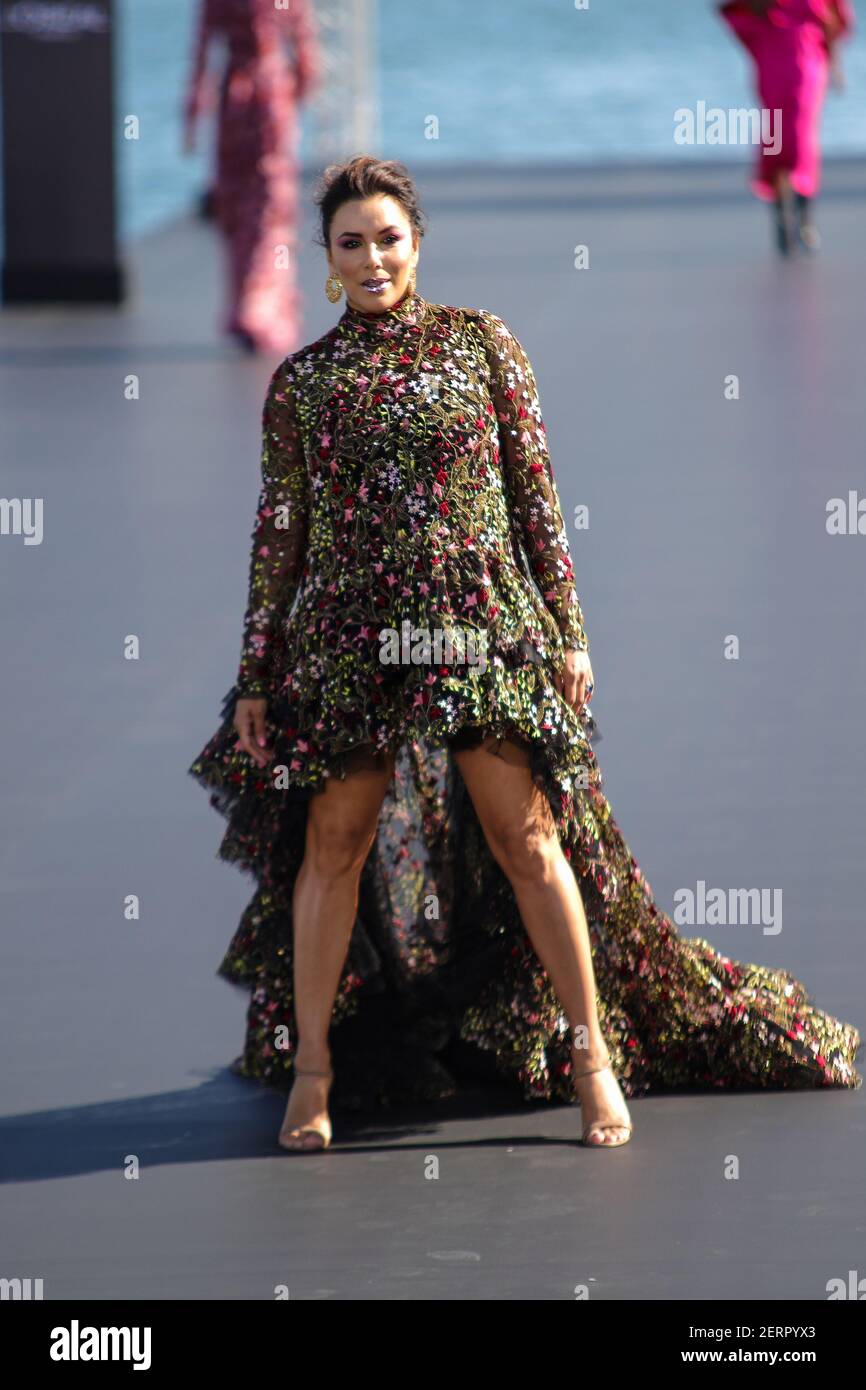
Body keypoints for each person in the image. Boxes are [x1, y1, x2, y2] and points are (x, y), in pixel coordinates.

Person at [188, 155, 862, 1154]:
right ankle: (315, 1069)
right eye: (349, 243)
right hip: (346, 639)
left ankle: (590, 1054)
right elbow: (279, 532)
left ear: (417, 242)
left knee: (528, 837)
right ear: (324, 260)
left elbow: (534, 501)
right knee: (334, 843)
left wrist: (566, 632)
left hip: (480, 630)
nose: (371, 257)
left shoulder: (483, 347)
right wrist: (255, 670)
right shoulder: (305, 383)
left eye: (386, 237)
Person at [182, 0, 320, 353]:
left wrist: (193, 112)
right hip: (273, 95)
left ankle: (248, 301)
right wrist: (301, 86)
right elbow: (304, 48)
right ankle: (260, 305)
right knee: (270, 203)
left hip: (234, 96)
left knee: (238, 199)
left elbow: (201, 52)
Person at [718, 0, 854, 254]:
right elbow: (736, 12)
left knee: (800, 134)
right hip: (772, 55)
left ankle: (804, 215)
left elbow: (835, 22)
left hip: (808, 57)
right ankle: (781, 214)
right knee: (775, 132)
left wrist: (835, 64)